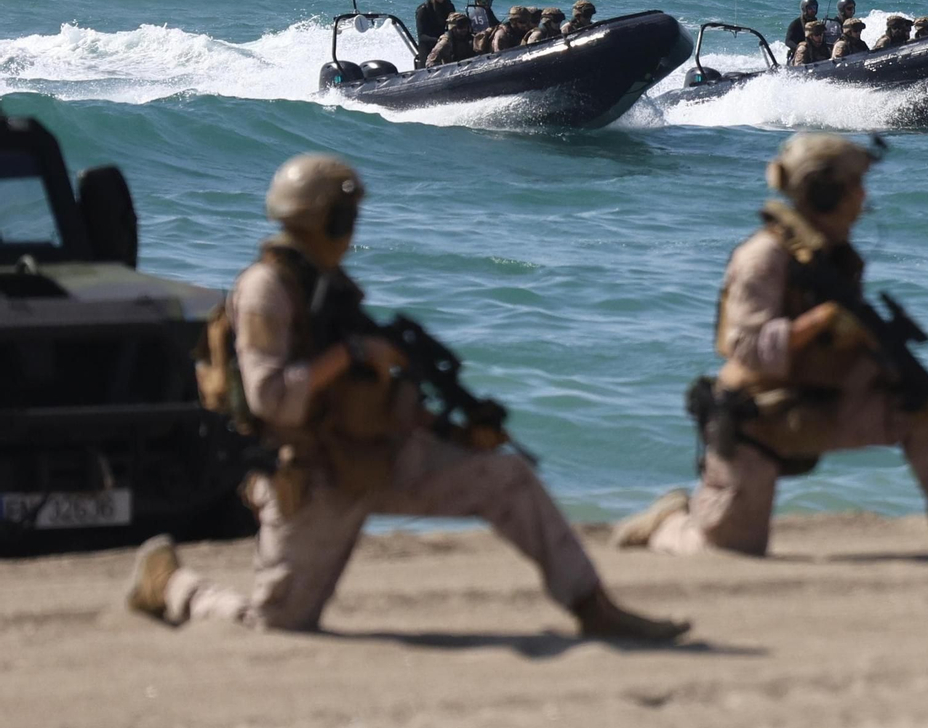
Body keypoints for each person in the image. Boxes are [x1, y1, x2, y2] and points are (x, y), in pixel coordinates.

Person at [125, 154, 688, 642]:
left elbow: (363, 392)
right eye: (349, 217)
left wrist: (446, 430)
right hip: (312, 477)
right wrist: (352, 354)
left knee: (508, 478)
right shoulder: (266, 290)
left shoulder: (327, 285)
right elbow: (273, 399)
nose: (354, 228)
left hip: (374, 456)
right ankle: (175, 588)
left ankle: (593, 606)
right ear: (331, 218)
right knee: (275, 625)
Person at [610, 132, 928, 559]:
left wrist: (901, 376)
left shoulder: (833, 257)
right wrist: (820, 320)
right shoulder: (764, 257)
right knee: (725, 551)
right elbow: (747, 347)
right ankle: (669, 523)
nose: (864, 198)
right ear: (824, 193)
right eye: (854, 187)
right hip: (758, 415)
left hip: (824, 400)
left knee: (927, 411)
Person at [414, 0, 455, 69]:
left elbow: (453, 27)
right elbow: (422, 37)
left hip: (446, 45)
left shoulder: (449, 6)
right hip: (429, 50)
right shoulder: (423, 9)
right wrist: (439, 40)